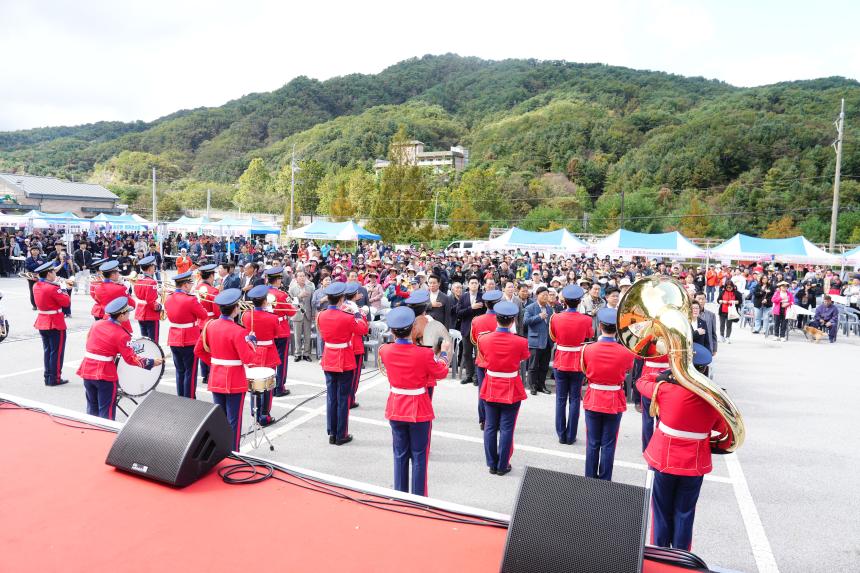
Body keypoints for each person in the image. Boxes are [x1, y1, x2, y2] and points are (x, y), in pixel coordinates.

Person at [636, 344, 729, 550]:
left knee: (660, 511)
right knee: (685, 513)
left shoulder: (666, 389)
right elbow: (724, 430)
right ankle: (680, 558)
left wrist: (665, 375)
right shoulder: (714, 400)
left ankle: (660, 554)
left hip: (665, 459)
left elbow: (641, 381)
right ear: (705, 369)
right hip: (694, 462)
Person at [379, 306, 451, 496]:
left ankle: (400, 496)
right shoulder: (424, 354)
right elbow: (441, 371)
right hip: (418, 407)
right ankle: (418, 499)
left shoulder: (385, 350)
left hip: (396, 405)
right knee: (419, 456)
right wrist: (443, 353)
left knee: (400, 454)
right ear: (412, 329)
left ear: (392, 331)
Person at [77, 297, 162, 420]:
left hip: (87, 368)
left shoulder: (97, 324)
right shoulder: (121, 334)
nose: (129, 314)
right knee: (106, 411)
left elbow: (88, 340)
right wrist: (151, 362)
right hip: (104, 373)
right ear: (121, 316)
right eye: (127, 312)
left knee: (92, 407)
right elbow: (130, 358)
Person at [194, 289, 259, 450]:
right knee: (233, 420)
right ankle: (233, 453)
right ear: (235, 309)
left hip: (216, 376)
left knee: (219, 419)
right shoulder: (239, 331)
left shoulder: (210, 325)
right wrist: (252, 343)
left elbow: (198, 350)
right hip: (234, 380)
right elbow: (248, 359)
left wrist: (215, 363)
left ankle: (219, 452)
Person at [477, 301, 530, 476]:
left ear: (496, 319)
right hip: (511, 385)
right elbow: (523, 357)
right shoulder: (521, 341)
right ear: (513, 320)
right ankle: (502, 464)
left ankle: (492, 464)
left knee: (490, 426)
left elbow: (484, 357)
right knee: (507, 428)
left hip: (491, 384)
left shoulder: (484, 339)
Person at [581, 308, 634, 480]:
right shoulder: (626, 352)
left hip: (594, 396)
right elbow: (628, 369)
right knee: (609, 444)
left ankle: (590, 478)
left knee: (592, 442)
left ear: (600, 326)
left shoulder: (588, 349)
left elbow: (584, 369)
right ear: (617, 329)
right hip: (614, 399)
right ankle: (605, 480)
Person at [317, 282, 367, 446]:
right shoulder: (347, 316)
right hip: (344, 358)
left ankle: (332, 432)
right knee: (343, 398)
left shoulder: (321, 315)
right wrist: (358, 314)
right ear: (340, 299)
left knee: (332, 397)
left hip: (329, 356)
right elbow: (362, 330)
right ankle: (341, 434)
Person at [548, 284, 593, 445]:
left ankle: (561, 434)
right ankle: (571, 435)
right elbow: (589, 335)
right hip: (577, 362)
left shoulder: (555, 317)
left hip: (561, 360)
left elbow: (553, 337)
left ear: (564, 301)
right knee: (574, 399)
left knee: (560, 399)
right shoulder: (586, 319)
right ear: (579, 301)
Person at [164, 271, 208, 398]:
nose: (191, 286)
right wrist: (198, 301)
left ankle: (181, 397)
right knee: (190, 372)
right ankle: (189, 398)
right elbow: (203, 315)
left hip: (174, 338)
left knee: (180, 371)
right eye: (190, 283)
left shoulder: (169, 298)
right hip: (189, 339)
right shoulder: (191, 299)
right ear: (185, 285)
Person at [241, 285, 281, 426]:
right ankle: (265, 415)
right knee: (268, 385)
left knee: (254, 384)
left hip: (253, 350)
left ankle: (255, 412)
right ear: (264, 301)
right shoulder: (272, 317)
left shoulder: (246, 315)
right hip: (268, 351)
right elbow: (277, 334)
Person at [32, 261, 71, 387]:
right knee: (57, 352)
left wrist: (57, 285)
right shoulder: (53, 288)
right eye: (53, 271)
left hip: (42, 320)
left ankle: (48, 376)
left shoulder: (36, 285)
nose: (55, 273)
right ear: (49, 274)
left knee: (48, 351)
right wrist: (63, 288)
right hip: (55, 322)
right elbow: (66, 302)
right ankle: (55, 378)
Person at [469, 289, 503, 429]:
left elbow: (474, 340)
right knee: (498, 392)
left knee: (482, 391)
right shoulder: (503, 319)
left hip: (482, 359)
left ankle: (484, 420)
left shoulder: (477, 320)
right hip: (499, 361)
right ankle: (497, 420)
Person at [265, 267, 298, 395]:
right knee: (281, 360)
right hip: (280, 329)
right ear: (278, 280)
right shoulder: (281, 295)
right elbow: (291, 312)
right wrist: (294, 305)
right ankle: (279, 387)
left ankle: (270, 386)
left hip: (267, 328)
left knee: (270, 360)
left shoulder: (263, 293)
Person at [524, 286, 554, 395]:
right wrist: (539, 317)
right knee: (533, 366)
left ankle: (541, 385)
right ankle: (532, 386)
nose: (545, 297)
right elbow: (525, 322)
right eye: (543, 295)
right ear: (537, 295)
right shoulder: (530, 307)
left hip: (547, 342)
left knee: (544, 366)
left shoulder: (550, 308)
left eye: (547, 295)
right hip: (535, 341)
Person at [344, 282, 370, 408]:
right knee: (354, 377)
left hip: (344, 345)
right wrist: (361, 314)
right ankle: (350, 400)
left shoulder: (341, 307)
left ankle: (345, 398)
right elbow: (364, 330)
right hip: (356, 346)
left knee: (345, 375)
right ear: (355, 295)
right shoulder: (358, 311)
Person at [456, 276, 485, 385]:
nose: (474, 285)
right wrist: (471, 308)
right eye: (472, 283)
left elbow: (486, 312)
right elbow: (458, 313)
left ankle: (477, 377)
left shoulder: (483, 297)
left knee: (478, 354)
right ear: (468, 285)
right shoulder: (463, 297)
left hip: (479, 330)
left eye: (475, 283)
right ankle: (469, 375)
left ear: (479, 285)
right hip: (466, 329)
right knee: (466, 353)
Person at [195, 264, 220, 385]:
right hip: (211, 322)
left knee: (202, 347)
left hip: (200, 322)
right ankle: (211, 373)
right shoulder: (213, 291)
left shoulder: (197, 287)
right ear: (211, 276)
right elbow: (217, 311)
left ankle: (204, 374)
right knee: (211, 349)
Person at [94, 261, 135, 331]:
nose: (119, 274)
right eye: (118, 272)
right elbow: (132, 304)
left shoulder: (97, 288)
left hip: (106, 318)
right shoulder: (120, 288)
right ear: (113, 275)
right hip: (120, 320)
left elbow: (98, 300)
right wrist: (124, 286)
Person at [133, 255, 162, 343]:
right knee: (153, 342)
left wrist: (157, 292)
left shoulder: (138, 280)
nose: (154, 268)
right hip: (150, 313)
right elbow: (151, 301)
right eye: (153, 267)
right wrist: (160, 307)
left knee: (145, 341)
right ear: (150, 268)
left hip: (140, 312)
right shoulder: (152, 282)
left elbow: (142, 294)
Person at [288, 270, 315, 361]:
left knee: (308, 335)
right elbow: (290, 302)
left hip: (308, 314)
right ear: (296, 278)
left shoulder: (310, 288)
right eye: (300, 276)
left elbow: (312, 302)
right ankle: (297, 353)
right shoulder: (292, 289)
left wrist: (313, 313)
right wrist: (299, 296)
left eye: (303, 276)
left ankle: (306, 354)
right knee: (297, 335)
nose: (302, 278)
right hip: (297, 313)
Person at [25, 246, 45, 310]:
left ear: (39, 251)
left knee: (41, 291)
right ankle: (34, 305)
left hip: (40, 277)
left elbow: (44, 268)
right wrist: (37, 263)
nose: (35, 251)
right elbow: (28, 267)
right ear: (31, 251)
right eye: (33, 250)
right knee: (32, 291)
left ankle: (41, 304)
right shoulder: (28, 259)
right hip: (31, 277)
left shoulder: (42, 259)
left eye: (36, 250)